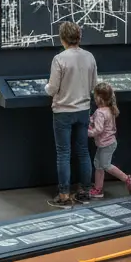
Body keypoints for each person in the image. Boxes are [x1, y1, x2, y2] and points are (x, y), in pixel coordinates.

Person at [45, 21, 98, 208]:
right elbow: (94, 85)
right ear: (79, 37)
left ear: (62, 38)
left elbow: (52, 88)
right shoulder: (89, 57)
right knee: (83, 151)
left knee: (63, 153)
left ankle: (64, 195)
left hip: (63, 112)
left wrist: (45, 88)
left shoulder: (59, 59)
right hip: (83, 110)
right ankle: (84, 192)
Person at [87, 81, 131, 199]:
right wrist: (88, 120)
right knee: (98, 164)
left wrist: (87, 132)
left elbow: (98, 129)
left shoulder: (100, 112)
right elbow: (94, 120)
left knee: (105, 165)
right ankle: (98, 189)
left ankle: (127, 179)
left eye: (95, 96)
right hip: (107, 143)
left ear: (99, 98)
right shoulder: (108, 109)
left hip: (106, 144)